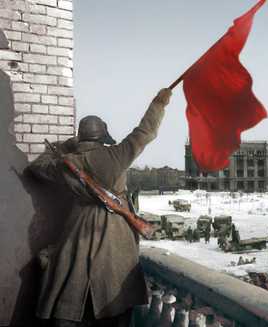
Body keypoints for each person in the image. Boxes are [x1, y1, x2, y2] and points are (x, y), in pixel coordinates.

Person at [28, 88, 172, 327]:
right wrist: (159, 103)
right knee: (117, 297)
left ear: (81, 137)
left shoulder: (68, 163)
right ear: (102, 135)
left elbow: (37, 167)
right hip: (116, 229)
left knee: (70, 288)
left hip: (78, 226)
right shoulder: (117, 155)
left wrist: (68, 147)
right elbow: (146, 131)